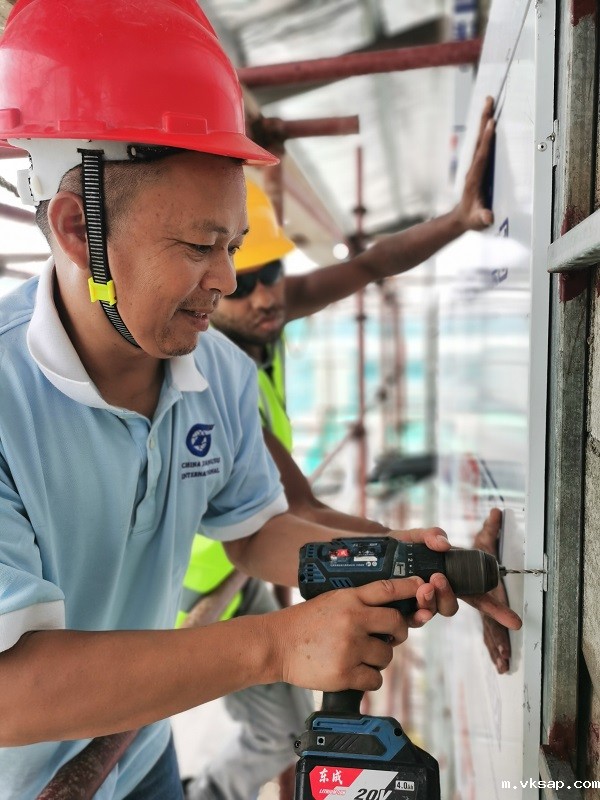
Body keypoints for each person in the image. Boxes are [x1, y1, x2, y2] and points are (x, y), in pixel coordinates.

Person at [0, 4, 520, 799]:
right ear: (79, 231)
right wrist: (275, 645)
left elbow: (254, 530)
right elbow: (9, 693)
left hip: (137, 750)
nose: (226, 281)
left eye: (234, 246)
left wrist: (403, 560)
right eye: (198, 246)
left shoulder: (217, 372)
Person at [181, 97, 518, 800]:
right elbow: (298, 511)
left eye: (272, 272)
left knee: (289, 714)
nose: (266, 296)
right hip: (209, 584)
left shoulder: (262, 317)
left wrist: (459, 219)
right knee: (277, 726)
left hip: (251, 551)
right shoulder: (210, 374)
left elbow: (372, 264)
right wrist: (424, 558)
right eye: (246, 285)